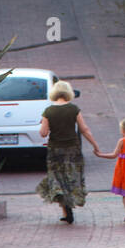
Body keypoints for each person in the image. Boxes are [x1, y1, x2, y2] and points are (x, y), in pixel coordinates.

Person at [36, 81, 101, 224]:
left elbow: (43, 133)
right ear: (68, 92)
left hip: (55, 150)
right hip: (73, 149)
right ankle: (70, 207)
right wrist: (95, 146)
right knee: (72, 177)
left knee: (58, 178)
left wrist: (43, 123)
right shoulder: (74, 109)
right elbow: (84, 129)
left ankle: (66, 211)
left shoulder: (48, 111)